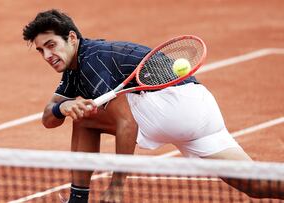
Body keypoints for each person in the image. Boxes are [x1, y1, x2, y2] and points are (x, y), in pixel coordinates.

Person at [22, 9, 283, 203]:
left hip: (175, 105)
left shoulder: (92, 60)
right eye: (41, 50)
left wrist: (117, 188)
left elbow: (127, 123)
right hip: (201, 108)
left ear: (72, 38)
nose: (47, 56)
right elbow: (48, 116)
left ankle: (78, 200)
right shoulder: (73, 70)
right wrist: (62, 108)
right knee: (257, 184)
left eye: (51, 45)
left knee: (85, 116)